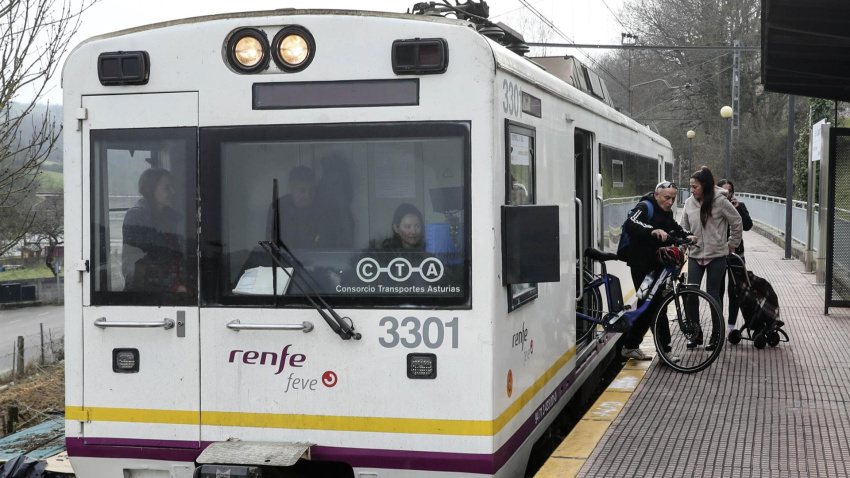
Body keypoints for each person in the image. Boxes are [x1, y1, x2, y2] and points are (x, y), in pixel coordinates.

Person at [619, 181, 696, 362]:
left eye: (673, 198)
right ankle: (665, 351)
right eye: (666, 198)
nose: (670, 202)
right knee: (656, 305)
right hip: (640, 264)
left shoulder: (666, 211)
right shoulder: (645, 206)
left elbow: (674, 228)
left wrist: (687, 236)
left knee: (646, 305)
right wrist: (652, 231)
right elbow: (631, 222)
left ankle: (630, 346)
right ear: (656, 195)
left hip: (655, 266)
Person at [681, 166, 743, 350]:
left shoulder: (720, 201)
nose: (692, 190)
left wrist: (732, 244)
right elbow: (683, 228)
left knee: (713, 294)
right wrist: (682, 245)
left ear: (705, 186)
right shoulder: (689, 203)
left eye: (695, 187)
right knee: (691, 294)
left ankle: (717, 335)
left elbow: (736, 221)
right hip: (695, 255)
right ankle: (696, 333)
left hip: (717, 255)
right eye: (690, 187)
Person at [122, 168, 187, 292]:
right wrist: (172, 286)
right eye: (167, 188)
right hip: (145, 295)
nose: (173, 192)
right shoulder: (137, 216)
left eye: (172, 187)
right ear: (151, 190)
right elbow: (132, 265)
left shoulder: (170, 215)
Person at [273, 165, 344, 248]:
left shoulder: (324, 208)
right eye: (302, 190)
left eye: (312, 190)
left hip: (317, 258)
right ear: (291, 189)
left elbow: (327, 242)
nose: (307, 196)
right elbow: (273, 242)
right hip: (286, 258)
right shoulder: (278, 208)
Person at [717, 179, 754, 333]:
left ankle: (731, 326)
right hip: (718, 254)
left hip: (736, 254)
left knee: (735, 290)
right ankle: (718, 325)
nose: (727, 194)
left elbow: (748, 226)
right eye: (724, 191)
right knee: (717, 290)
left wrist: (738, 209)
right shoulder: (715, 206)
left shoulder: (740, 206)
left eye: (729, 191)